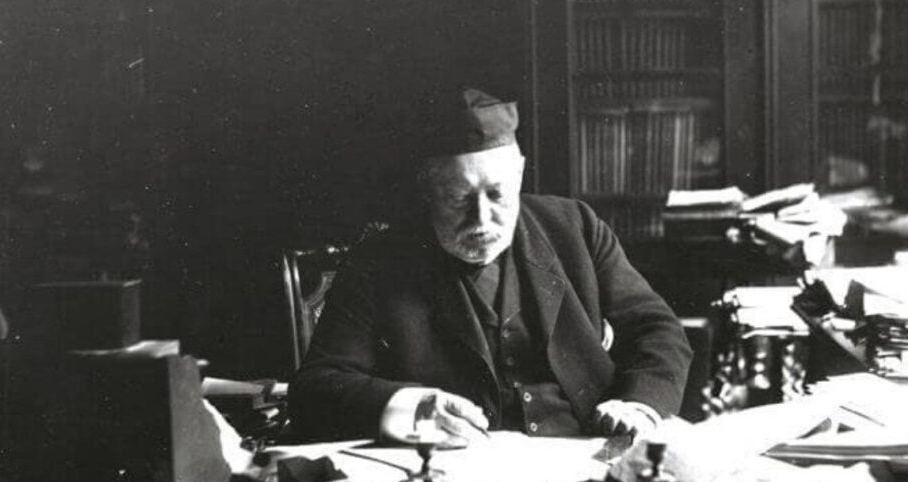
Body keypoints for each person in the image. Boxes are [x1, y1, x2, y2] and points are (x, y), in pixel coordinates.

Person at [288, 87, 692, 443]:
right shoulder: (378, 262)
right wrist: (412, 408)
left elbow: (658, 329)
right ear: (427, 189)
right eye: (459, 199)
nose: (481, 220)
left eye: (497, 194)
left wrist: (638, 405)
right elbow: (315, 389)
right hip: (456, 466)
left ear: (519, 174)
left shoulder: (575, 228)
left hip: (587, 447)